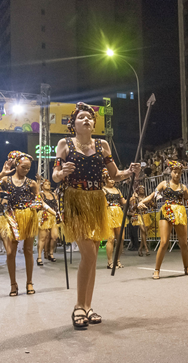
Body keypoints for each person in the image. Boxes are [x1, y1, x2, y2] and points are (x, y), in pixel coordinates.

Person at [53, 102, 141, 328]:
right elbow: (54, 175)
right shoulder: (65, 144)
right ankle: (78, 307)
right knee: (90, 254)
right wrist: (62, 172)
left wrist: (130, 171)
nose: (86, 120)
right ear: (73, 123)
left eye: (90, 118)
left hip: (96, 201)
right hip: (74, 201)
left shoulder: (102, 146)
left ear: (93, 124)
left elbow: (115, 175)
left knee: (90, 258)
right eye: (81, 117)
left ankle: (88, 306)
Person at [0, 151, 48, 296]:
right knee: (10, 252)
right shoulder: (6, 180)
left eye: (28, 168)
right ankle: (13, 283)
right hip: (12, 217)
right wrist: (2, 173)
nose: (26, 170)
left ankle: (29, 282)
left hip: (29, 217)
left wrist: (42, 207)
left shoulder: (32, 183)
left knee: (28, 250)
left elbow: (38, 200)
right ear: (17, 165)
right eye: (23, 167)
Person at [137, 160, 188, 279]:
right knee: (164, 241)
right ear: (171, 172)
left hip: (180, 213)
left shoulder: (183, 188)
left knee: (184, 243)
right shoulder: (164, 184)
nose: (176, 175)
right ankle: (156, 270)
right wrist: (141, 202)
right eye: (174, 172)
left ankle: (186, 267)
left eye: (179, 173)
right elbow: (152, 196)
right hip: (166, 211)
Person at [102, 173, 128, 269]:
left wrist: (131, 198)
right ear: (105, 179)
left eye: (113, 179)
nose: (112, 181)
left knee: (121, 239)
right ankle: (110, 262)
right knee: (111, 238)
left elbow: (124, 202)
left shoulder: (117, 190)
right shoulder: (103, 190)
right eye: (110, 179)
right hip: (109, 214)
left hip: (118, 214)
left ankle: (117, 260)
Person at [37, 179, 59, 265]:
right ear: (42, 186)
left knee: (54, 236)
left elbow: (57, 203)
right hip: (44, 215)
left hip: (54, 217)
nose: (48, 185)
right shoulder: (40, 194)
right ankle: (39, 257)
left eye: (49, 184)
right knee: (42, 237)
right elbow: (41, 203)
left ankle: (51, 253)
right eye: (45, 184)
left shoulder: (54, 195)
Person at [130, 185, 151, 257]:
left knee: (144, 233)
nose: (142, 190)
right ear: (138, 191)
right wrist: (137, 203)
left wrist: (150, 203)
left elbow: (153, 205)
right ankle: (146, 248)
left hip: (146, 215)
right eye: (141, 189)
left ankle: (140, 248)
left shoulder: (147, 198)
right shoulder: (135, 198)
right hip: (139, 215)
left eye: (143, 189)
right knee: (143, 230)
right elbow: (132, 208)